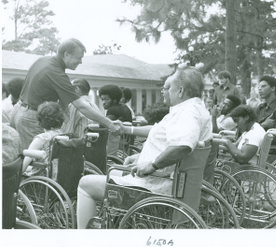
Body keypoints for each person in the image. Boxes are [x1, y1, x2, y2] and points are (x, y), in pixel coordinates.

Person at [76, 66, 212, 228]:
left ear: (180, 90)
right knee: (117, 169)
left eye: (169, 87)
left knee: (85, 183)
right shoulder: (193, 109)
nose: (165, 91)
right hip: (165, 180)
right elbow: (163, 135)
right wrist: (134, 141)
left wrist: (152, 164)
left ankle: (83, 238)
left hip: (154, 186)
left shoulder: (188, 113)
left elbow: (183, 145)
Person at [13, 38, 120, 150]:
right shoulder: (57, 74)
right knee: (38, 161)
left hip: (21, 110)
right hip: (31, 118)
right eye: (79, 58)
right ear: (67, 54)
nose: (80, 62)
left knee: (31, 158)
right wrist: (109, 124)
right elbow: (81, 106)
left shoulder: (43, 60)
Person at [22, 102, 64, 176]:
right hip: (60, 177)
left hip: (41, 179)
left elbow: (23, 168)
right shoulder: (64, 136)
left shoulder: (40, 139)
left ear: (40, 120)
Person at [221, 105, 266, 169]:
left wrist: (227, 142)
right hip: (241, 168)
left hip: (245, 170)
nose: (236, 125)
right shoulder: (249, 130)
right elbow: (235, 147)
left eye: (237, 121)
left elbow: (242, 159)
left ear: (246, 117)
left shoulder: (254, 133)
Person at [98, 84, 133, 156]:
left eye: (106, 99)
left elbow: (104, 125)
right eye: (102, 99)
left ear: (114, 99)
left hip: (115, 145)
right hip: (126, 144)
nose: (103, 102)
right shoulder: (125, 107)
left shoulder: (112, 110)